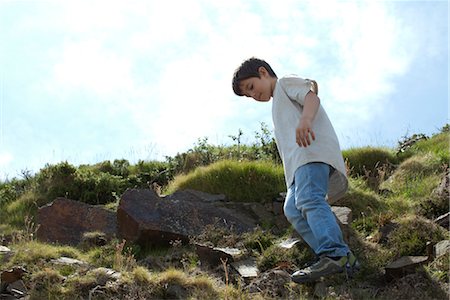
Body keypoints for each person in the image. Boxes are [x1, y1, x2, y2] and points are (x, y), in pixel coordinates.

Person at [231, 57, 360, 283]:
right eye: (248, 96)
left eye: (251, 87)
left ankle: (336, 253)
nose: (253, 96)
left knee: (309, 199)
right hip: (296, 168)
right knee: (292, 209)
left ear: (263, 72)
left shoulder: (284, 83)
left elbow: (311, 96)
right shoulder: (276, 106)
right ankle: (330, 256)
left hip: (311, 154)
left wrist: (306, 119)